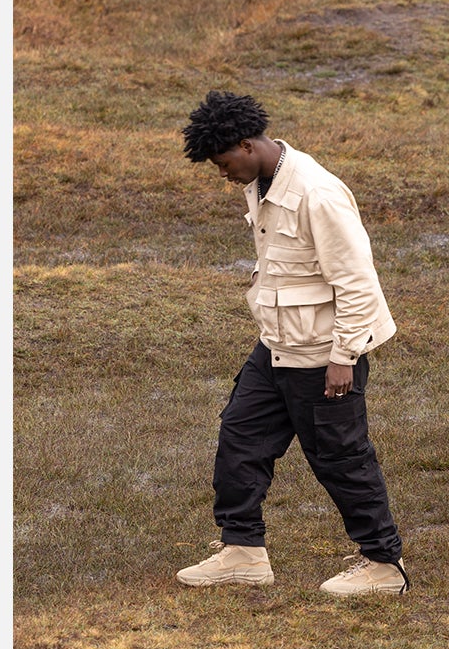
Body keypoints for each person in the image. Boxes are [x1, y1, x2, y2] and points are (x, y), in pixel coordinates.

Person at [174, 91, 407, 598]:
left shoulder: (317, 194)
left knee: (340, 458)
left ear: (246, 144)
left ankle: (383, 564)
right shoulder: (261, 180)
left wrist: (343, 358)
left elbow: (358, 282)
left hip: (323, 354)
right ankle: (243, 552)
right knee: (240, 438)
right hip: (276, 345)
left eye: (223, 163)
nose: (223, 174)